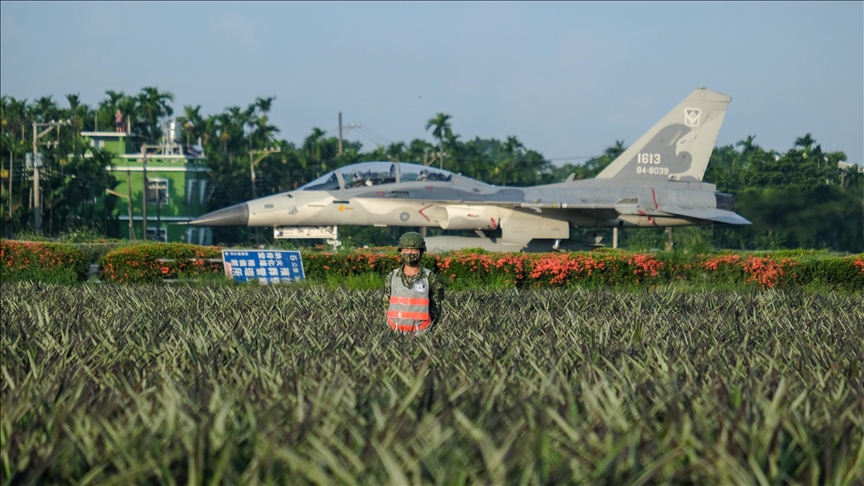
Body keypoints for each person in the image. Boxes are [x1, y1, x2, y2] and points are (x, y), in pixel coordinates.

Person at [385, 232, 444, 334]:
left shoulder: (429, 277)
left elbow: (436, 307)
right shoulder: (392, 276)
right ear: (400, 251)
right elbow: (386, 303)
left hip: (421, 332)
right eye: (406, 250)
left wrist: (427, 329)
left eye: (414, 250)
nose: (410, 253)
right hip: (394, 331)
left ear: (421, 252)